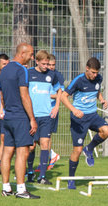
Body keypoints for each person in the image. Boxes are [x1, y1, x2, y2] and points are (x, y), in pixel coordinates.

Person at [61, 57, 108, 189]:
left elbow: (97, 91)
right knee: (76, 151)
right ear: (87, 69)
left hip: (93, 115)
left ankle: (89, 148)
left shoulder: (98, 79)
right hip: (79, 119)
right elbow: (63, 96)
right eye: (93, 72)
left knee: (107, 130)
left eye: (97, 73)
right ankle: (71, 180)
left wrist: (102, 100)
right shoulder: (78, 80)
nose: (95, 75)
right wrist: (74, 110)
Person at [0, 42, 39, 199]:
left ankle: (6, 188)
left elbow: (1, 94)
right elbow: (24, 95)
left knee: (7, 152)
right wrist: (32, 119)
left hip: (8, 116)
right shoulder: (22, 70)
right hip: (20, 117)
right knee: (23, 152)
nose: (32, 57)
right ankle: (21, 190)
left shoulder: (5, 69)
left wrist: (6, 108)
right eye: (30, 54)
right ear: (22, 54)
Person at [26, 50, 61, 185]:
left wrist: (56, 106)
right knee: (31, 146)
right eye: (44, 64)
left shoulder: (52, 75)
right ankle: (30, 172)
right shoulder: (28, 74)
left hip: (46, 116)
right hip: (32, 116)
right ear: (37, 61)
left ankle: (42, 176)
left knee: (45, 144)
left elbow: (59, 91)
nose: (46, 66)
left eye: (48, 64)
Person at [47, 54, 65, 170]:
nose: (51, 67)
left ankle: (49, 158)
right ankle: (52, 155)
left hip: (51, 110)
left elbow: (61, 94)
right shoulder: (40, 74)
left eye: (53, 65)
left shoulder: (57, 76)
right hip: (39, 109)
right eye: (49, 64)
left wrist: (47, 95)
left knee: (46, 136)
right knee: (36, 137)